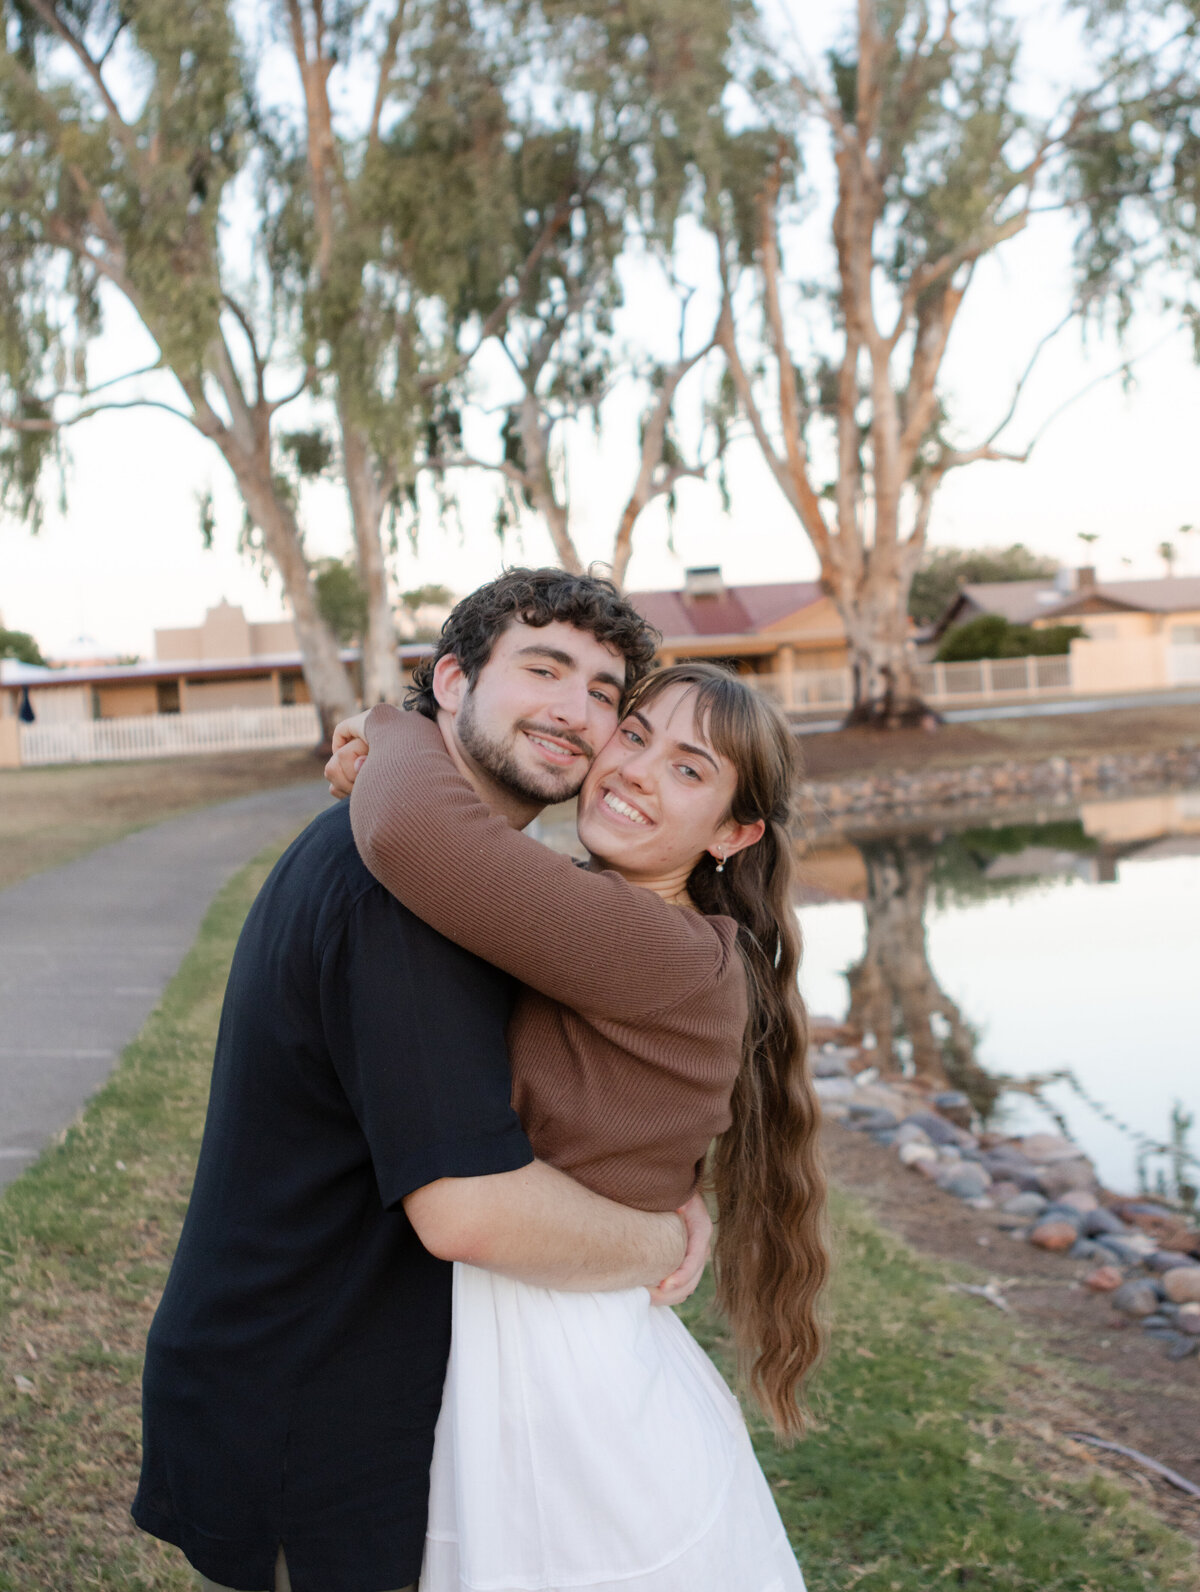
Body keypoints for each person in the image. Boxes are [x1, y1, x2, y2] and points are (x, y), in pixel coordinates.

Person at [132, 569, 714, 1592]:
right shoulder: (396, 901)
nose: (575, 713)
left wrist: (683, 1184)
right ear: (451, 680)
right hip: (308, 1407)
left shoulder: (462, 883)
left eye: (605, 694)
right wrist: (663, 1240)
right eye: (543, 669)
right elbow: (470, 1213)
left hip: (338, 1375)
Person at [327, 649, 829, 1590]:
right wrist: (676, 1203)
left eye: (688, 769)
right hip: (554, 1318)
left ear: (734, 832)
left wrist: (389, 727)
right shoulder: (620, 919)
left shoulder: (652, 942)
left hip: (558, 1360)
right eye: (633, 735)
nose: (636, 769)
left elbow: (412, 830)